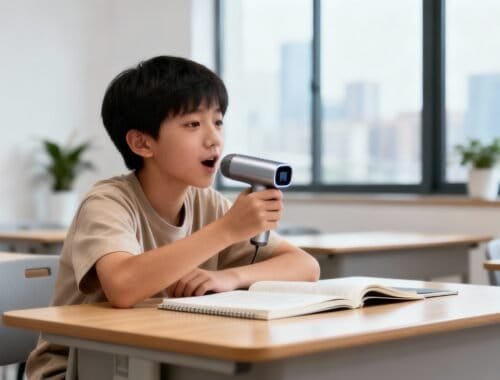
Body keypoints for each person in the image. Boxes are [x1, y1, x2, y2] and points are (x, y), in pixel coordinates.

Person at [26, 55, 320, 379]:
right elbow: (123, 287)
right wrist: (226, 230)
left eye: (218, 122)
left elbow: (306, 266)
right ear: (142, 142)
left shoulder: (208, 203)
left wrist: (228, 278)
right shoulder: (107, 202)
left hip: (163, 356)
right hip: (82, 368)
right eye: (193, 124)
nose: (214, 139)